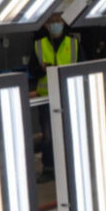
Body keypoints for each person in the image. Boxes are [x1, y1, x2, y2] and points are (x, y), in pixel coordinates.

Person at [32, 13, 81, 183]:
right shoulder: (39, 45)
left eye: (58, 21)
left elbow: (83, 66)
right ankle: (48, 168)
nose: (55, 25)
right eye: (52, 22)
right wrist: (41, 69)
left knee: (70, 131)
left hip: (69, 95)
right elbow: (32, 71)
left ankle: (71, 165)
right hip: (47, 98)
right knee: (48, 136)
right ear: (46, 25)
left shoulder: (73, 44)